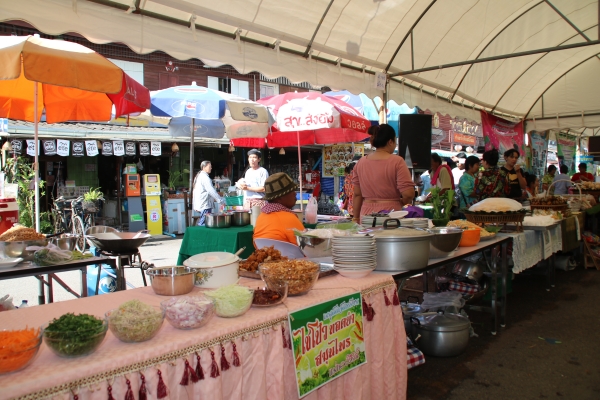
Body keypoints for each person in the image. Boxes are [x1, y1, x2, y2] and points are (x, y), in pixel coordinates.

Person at [351, 124, 415, 223]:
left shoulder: (360, 162)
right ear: (390, 142)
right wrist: (401, 202)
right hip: (390, 214)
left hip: (366, 216)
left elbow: (357, 194)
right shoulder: (397, 161)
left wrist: (356, 218)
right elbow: (408, 194)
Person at [253, 172, 305, 245]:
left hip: (262, 252)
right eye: (291, 191)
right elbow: (304, 245)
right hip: (287, 253)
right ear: (279, 198)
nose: (295, 193)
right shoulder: (288, 217)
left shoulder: (261, 217)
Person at [192, 160, 223, 226]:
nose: (211, 168)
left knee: (204, 222)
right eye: (209, 166)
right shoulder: (205, 178)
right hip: (205, 204)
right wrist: (220, 200)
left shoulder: (199, 176)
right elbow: (211, 191)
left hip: (201, 203)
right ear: (204, 167)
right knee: (204, 223)